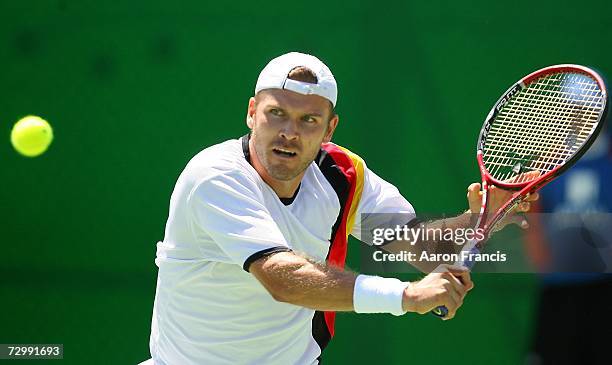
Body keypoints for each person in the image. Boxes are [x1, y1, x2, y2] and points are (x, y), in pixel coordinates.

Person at [144, 52, 534, 365]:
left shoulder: (343, 177)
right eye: (276, 113)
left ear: (329, 129)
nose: (289, 132)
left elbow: (420, 248)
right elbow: (282, 276)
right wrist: (406, 296)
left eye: (308, 120)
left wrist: (482, 219)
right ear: (251, 113)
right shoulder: (214, 176)